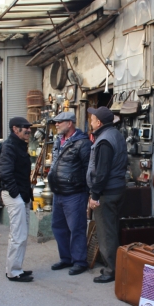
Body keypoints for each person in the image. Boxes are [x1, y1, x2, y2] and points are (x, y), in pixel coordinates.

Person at [86, 106, 127, 284]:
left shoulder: (104, 140)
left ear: (99, 122)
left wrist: (94, 195)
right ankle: (114, 265)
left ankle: (111, 270)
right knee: (112, 229)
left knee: (106, 232)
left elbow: (102, 172)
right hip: (116, 189)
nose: (90, 120)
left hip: (107, 192)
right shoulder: (115, 134)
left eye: (92, 118)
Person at [47, 112, 91, 276]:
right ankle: (66, 258)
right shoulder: (59, 140)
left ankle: (80, 261)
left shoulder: (82, 143)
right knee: (58, 227)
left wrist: (89, 193)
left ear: (70, 123)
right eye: (56, 122)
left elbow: (88, 169)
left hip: (75, 193)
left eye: (59, 122)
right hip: (58, 192)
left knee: (76, 228)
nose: (56, 125)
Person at [0, 117, 34, 283]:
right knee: (18, 234)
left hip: (22, 195)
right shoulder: (9, 146)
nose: (28, 130)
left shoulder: (19, 145)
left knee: (22, 234)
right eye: (24, 128)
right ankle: (13, 272)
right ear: (15, 129)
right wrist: (16, 195)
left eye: (29, 128)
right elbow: (5, 173)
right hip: (15, 195)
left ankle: (16, 268)